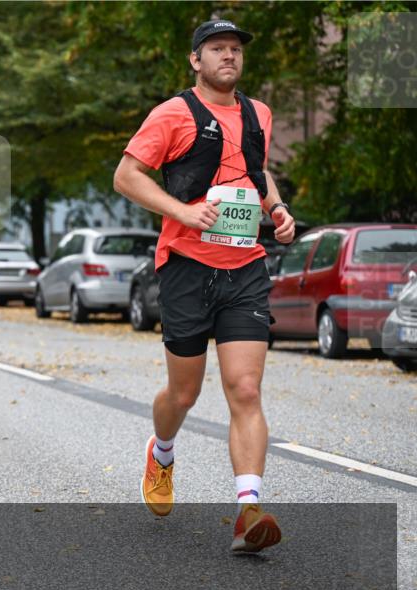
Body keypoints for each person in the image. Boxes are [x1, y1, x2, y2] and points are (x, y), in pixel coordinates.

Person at [113, 20, 296, 552]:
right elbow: (127, 176)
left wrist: (277, 208)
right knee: (184, 393)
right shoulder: (173, 114)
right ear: (196, 60)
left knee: (245, 388)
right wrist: (183, 212)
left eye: (235, 49)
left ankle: (248, 511)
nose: (229, 56)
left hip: (245, 268)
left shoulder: (259, 113)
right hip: (187, 267)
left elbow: (257, 172)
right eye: (217, 49)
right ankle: (162, 451)